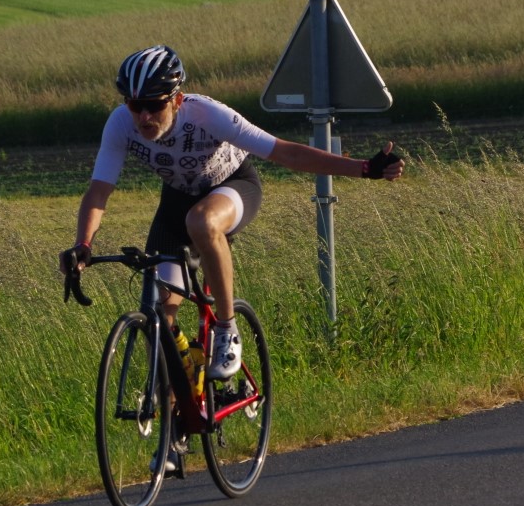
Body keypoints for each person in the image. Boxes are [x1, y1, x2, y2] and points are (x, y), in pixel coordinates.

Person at [61, 44, 403, 380]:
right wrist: (83, 244)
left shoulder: (208, 115)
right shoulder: (120, 124)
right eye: (135, 105)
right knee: (158, 316)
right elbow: (99, 191)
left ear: (177, 100)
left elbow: (286, 153)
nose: (144, 117)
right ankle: (176, 407)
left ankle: (226, 329)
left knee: (202, 220)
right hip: (177, 201)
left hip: (233, 186)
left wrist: (363, 168)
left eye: (154, 104)